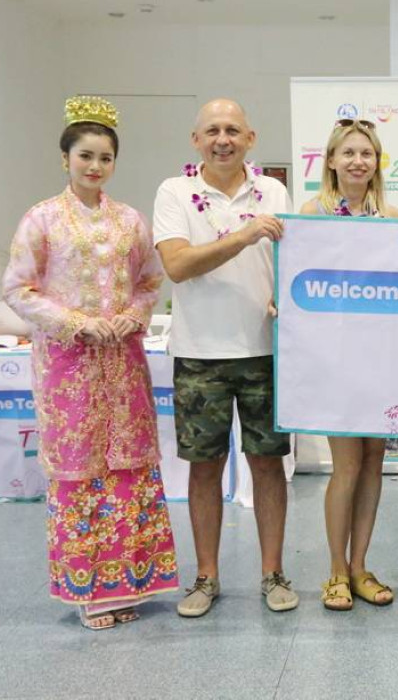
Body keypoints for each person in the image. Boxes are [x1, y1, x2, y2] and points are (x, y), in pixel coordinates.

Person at [3, 96, 178, 630]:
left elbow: (150, 281)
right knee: (81, 470)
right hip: (68, 367)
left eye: (105, 157)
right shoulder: (41, 219)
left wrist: (131, 315)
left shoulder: (129, 221)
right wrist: (75, 322)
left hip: (122, 363)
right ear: (66, 159)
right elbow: (18, 289)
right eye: (85, 156)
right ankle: (91, 591)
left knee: (128, 465)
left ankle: (133, 580)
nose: (95, 166)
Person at [152, 98, 297, 617]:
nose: (223, 139)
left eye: (233, 130)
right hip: (199, 355)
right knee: (204, 469)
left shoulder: (273, 192)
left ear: (250, 139)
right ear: (196, 140)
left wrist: (285, 296)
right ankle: (206, 576)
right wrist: (243, 235)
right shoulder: (174, 192)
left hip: (263, 351)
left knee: (268, 466)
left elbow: (289, 260)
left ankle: (273, 573)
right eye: (212, 130)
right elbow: (177, 265)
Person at [299, 118, 398, 611]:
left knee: (374, 459)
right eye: (349, 153)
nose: (358, 161)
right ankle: (336, 570)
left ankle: (360, 566)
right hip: (335, 359)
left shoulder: (393, 217)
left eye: (367, 153)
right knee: (347, 464)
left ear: (377, 162)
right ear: (332, 161)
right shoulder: (312, 214)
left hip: (380, 357)